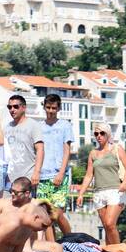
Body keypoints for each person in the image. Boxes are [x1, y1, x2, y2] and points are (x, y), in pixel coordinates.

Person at [76, 123, 126, 245]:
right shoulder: (93, 153)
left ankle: (118, 251)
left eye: (102, 133)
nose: (99, 136)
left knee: (110, 224)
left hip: (116, 191)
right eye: (96, 134)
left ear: (108, 134)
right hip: (99, 193)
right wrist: (81, 194)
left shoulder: (117, 149)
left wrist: (125, 183)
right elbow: (89, 175)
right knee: (106, 226)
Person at [32, 93, 75, 237]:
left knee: (57, 214)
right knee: (45, 216)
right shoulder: (38, 127)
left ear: (59, 108)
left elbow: (67, 150)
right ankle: (52, 246)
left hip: (59, 175)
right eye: (48, 107)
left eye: (54, 108)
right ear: (44, 106)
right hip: (43, 175)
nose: (51, 111)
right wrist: (36, 172)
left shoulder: (65, 125)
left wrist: (61, 173)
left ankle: (71, 240)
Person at [3, 95, 38, 196]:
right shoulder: (6, 127)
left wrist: (37, 172)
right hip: (9, 179)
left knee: (26, 210)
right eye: (9, 107)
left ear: (24, 107)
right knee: (8, 209)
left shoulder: (33, 125)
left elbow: (40, 150)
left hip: (27, 177)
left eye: (15, 106)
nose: (12, 110)